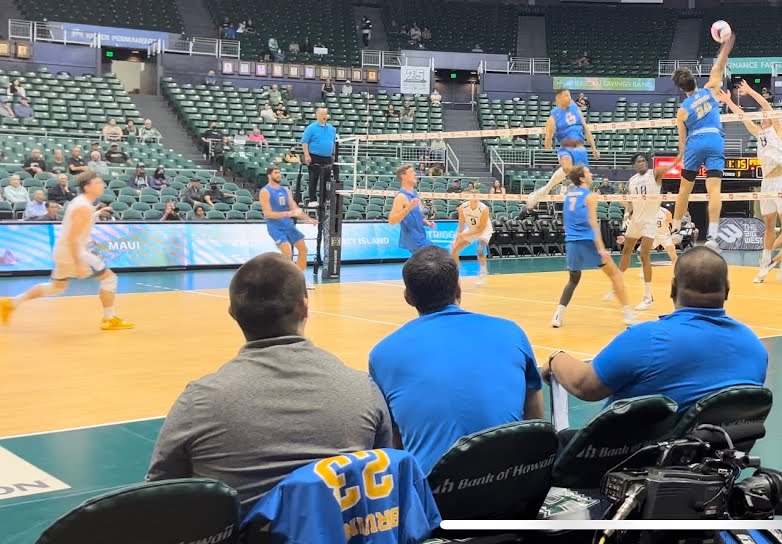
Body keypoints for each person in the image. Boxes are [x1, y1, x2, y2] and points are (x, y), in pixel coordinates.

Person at [146, 253, 393, 512]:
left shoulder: (199, 400)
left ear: (232, 313)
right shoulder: (362, 388)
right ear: (304, 307)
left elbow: (161, 493)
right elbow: (386, 471)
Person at [369, 247, 543, 473]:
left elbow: (395, 437)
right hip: (512, 484)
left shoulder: (382, 354)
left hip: (436, 497)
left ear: (408, 297)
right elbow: (536, 420)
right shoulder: (511, 331)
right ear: (458, 289)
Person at [544, 247, 767, 412]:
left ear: (672, 289)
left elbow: (585, 387)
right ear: (727, 291)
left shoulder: (648, 339)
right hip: (712, 465)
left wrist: (557, 358)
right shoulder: (755, 347)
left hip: (637, 464)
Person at [1, 171, 131, 329]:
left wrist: (96, 212)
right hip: (73, 252)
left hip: (64, 251)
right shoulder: (82, 207)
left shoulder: (82, 203)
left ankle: (11, 303)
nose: (102, 185)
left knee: (57, 286)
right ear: (88, 187)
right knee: (109, 279)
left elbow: (79, 224)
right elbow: (73, 238)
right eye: (97, 182)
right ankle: (109, 318)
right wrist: (79, 263)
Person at [718, 81, 782, 277]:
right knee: (769, 225)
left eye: (764, 115)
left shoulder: (777, 129)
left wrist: (750, 91)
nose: (763, 117)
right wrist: (728, 100)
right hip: (766, 182)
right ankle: (765, 263)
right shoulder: (758, 132)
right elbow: (743, 117)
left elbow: (767, 106)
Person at [671, 27, 732, 248]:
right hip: (715, 139)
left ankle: (675, 230)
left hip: (695, 143)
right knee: (714, 190)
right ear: (694, 80)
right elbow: (720, 64)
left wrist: (680, 156)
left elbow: (682, 140)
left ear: (680, 88)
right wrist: (726, 45)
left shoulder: (682, 111)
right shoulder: (710, 89)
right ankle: (713, 236)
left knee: (684, 189)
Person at [552, 166, 631, 328]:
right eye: (588, 172)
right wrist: (601, 248)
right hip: (588, 242)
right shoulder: (590, 196)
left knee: (573, 280)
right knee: (615, 275)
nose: (591, 174)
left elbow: (566, 223)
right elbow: (593, 224)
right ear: (582, 178)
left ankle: (558, 315)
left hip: (572, 242)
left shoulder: (568, 196)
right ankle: (628, 314)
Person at [611, 154, 674, 310]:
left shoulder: (654, 174)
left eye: (643, 160)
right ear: (634, 165)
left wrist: (681, 155)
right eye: (638, 161)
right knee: (626, 250)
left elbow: (670, 167)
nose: (641, 163)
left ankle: (648, 296)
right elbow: (631, 201)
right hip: (636, 221)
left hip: (652, 224)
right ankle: (617, 285)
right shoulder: (632, 181)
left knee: (645, 255)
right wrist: (627, 212)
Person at [521, 88, 598, 216]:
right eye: (565, 96)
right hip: (565, 149)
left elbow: (586, 128)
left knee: (586, 179)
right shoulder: (553, 117)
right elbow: (548, 140)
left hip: (580, 149)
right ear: (558, 99)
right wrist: (547, 144)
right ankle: (565, 189)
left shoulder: (575, 108)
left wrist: (594, 147)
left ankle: (546, 191)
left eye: (569, 95)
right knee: (568, 168)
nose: (569, 98)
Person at [260, 166, 315, 274]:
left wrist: (308, 219)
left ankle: (300, 278)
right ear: (269, 175)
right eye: (276, 173)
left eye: (279, 172)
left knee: (303, 249)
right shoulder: (265, 191)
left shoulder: (284, 190)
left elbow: (294, 208)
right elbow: (268, 214)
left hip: (288, 224)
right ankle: (283, 280)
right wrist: (288, 213)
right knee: (287, 253)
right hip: (275, 226)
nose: (279, 175)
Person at [388, 164, 435, 252]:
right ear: (403, 176)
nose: (415, 174)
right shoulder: (401, 197)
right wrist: (408, 208)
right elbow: (392, 221)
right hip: (414, 240)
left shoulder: (414, 194)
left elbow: (415, 217)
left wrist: (426, 223)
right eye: (411, 172)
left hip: (421, 237)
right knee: (437, 260)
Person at [449, 196, 492, 280]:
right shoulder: (462, 208)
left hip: (484, 231)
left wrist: (465, 234)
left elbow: (481, 228)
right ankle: (456, 274)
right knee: (454, 248)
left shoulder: (484, 209)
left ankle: (483, 272)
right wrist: (457, 237)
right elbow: (461, 225)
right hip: (471, 229)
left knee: (480, 250)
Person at [300, 107, 337, 205]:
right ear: (317, 115)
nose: (324, 116)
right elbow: (304, 142)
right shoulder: (311, 128)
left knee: (326, 180)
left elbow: (333, 142)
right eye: (322, 114)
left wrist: (332, 154)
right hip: (314, 156)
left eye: (325, 114)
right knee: (313, 178)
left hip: (327, 158)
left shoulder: (331, 129)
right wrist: (307, 155)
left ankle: (324, 200)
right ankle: (312, 200)